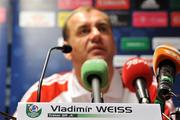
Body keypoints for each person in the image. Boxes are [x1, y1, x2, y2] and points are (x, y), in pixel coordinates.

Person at [15, 6, 174, 119]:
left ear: (114, 44)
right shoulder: (43, 93)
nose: (96, 35)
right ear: (66, 50)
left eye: (103, 28)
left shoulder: (148, 89)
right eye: (84, 30)